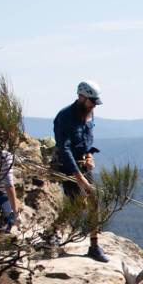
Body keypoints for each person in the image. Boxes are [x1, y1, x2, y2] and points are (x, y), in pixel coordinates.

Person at [53, 81, 107, 262]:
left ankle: (94, 245)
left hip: (83, 164)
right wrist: (79, 178)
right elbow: (64, 148)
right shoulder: (65, 117)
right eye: (91, 101)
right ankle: (52, 233)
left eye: (94, 102)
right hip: (68, 166)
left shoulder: (89, 114)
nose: (93, 105)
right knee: (77, 203)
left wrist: (89, 155)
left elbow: (86, 140)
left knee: (93, 201)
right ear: (81, 97)